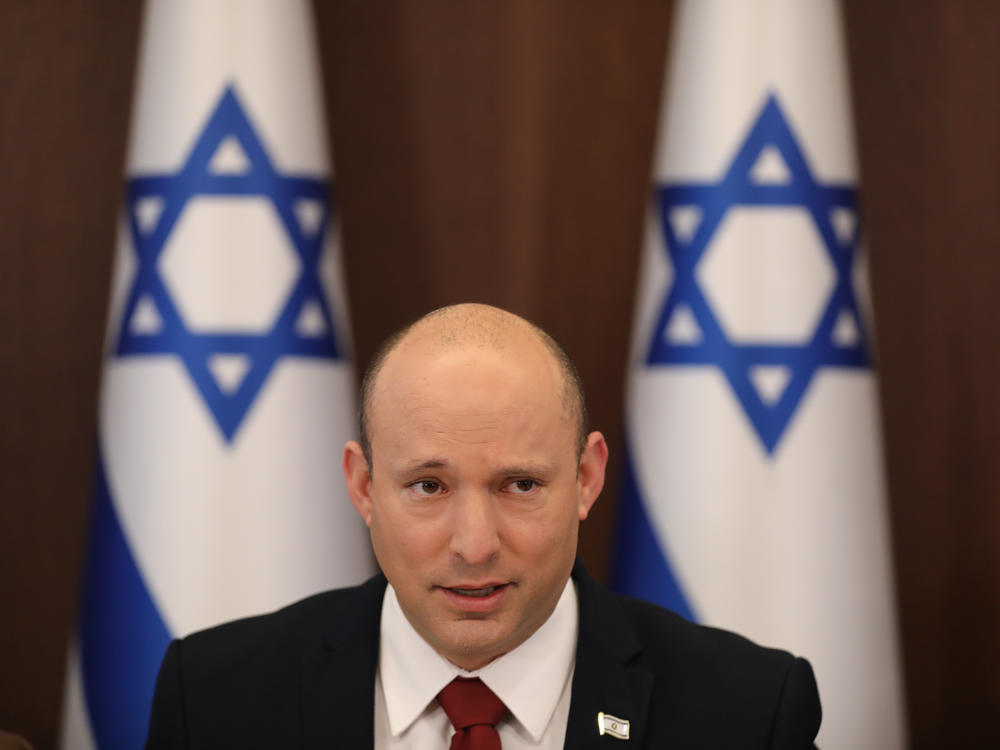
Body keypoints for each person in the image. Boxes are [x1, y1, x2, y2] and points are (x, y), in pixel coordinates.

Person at [145, 303, 821, 749]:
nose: (474, 546)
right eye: (428, 487)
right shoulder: (212, 700)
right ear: (363, 486)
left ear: (586, 478)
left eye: (520, 485)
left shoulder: (750, 714)